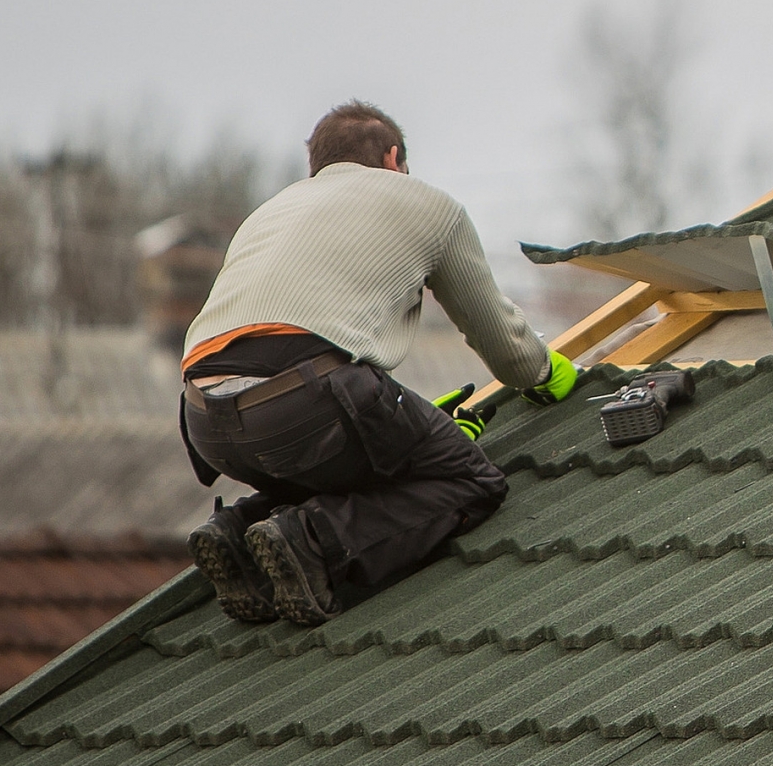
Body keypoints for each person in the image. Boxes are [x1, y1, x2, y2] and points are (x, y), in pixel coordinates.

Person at [176, 101, 579, 626]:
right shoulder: (428, 204)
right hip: (307, 404)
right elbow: (500, 341)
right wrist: (545, 374)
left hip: (206, 421)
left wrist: (417, 429)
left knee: (335, 464)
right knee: (473, 481)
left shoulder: (269, 213)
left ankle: (237, 531)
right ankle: (313, 540)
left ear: (317, 167)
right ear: (393, 158)